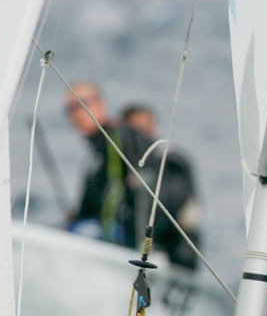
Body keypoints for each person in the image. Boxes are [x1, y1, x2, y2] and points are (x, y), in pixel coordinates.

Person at [63, 81, 150, 249]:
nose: (77, 113)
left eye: (82, 104)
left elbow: (143, 185)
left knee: (80, 233)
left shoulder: (120, 137)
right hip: (105, 229)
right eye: (70, 108)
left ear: (101, 104)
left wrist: (142, 245)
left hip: (128, 235)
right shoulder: (95, 152)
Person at [119, 103, 203, 270]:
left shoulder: (173, 162)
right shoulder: (122, 165)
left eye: (143, 129)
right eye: (134, 131)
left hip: (173, 252)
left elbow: (168, 206)